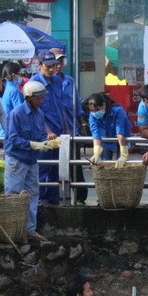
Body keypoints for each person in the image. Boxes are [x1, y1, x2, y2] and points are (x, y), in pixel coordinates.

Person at [4, 80, 58, 243]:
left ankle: (30, 230)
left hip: (32, 159)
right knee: (13, 194)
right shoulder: (16, 114)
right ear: (29, 98)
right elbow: (12, 139)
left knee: (33, 194)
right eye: (39, 98)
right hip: (17, 159)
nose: (41, 101)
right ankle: (13, 231)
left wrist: (46, 143)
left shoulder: (39, 114)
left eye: (42, 98)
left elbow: (41, 135)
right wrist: (32, 144)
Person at [29, 51, 66, 205]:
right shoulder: (33, 84)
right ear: (40, 65)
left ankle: (53, 200)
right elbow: (35, 111)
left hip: (59, 132)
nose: (51, 69)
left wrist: (67, 128)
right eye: (48, 66)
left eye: (54, 65)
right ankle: (41, 201)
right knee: (43, 168)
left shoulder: (57, 81)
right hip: (43, 134)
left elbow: (61, 106)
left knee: (56, 169)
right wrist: (47, 131)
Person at [53, 50, 89, 204]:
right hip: (55, 131)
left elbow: (77, 105)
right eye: (55, 63)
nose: (58, 66)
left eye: (60, 62)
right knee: (55, 165)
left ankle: (81, 196)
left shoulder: (69, 81)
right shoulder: (48, 82)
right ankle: (58, 196)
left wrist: (82, 124)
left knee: (75, 163)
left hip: (72, 128)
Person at [87, 92, 131, 169]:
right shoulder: (92, 116)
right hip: (106, 138)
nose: (94, 113)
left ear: (104, 105)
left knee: (122, 165)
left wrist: (124, 153)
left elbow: (120, 131)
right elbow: (95, 133)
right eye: (92, 110)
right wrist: (96, 152)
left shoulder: (118, 111)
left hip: (122, 138)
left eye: (97, 110)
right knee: (105, 164)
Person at [0, 62, 25, 137]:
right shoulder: (14, 90)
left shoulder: (4, 87)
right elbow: (20, 112)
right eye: (20, 74)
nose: (21, 77)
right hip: (11, 132)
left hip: (2, 131)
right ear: (13, 75)